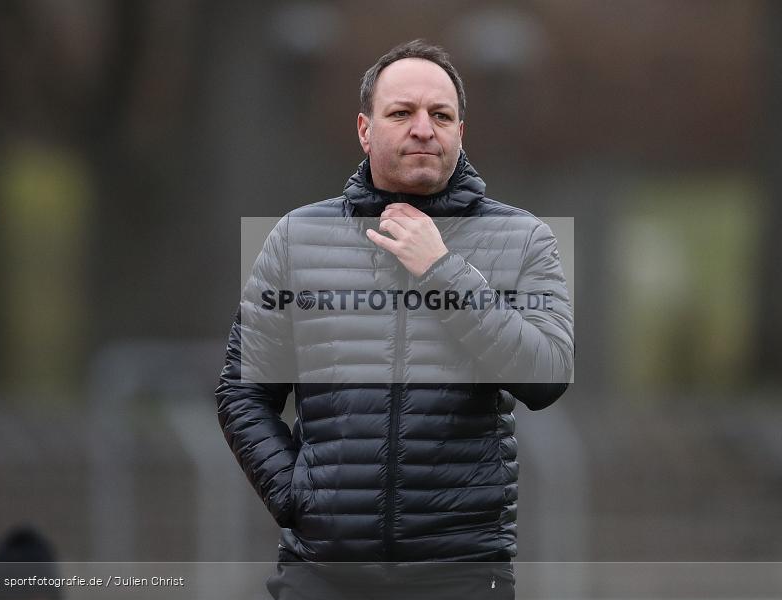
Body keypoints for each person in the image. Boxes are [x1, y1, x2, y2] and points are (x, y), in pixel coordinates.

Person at [215, 39, 573, 597]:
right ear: (365, 129)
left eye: (441, 116)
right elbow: (243, 393)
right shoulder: (296, 238)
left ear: (460, 131)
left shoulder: (523, 239)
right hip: (322, 574)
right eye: (402, 113)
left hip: (461, 573)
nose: (423, 129)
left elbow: (548, 376)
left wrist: (442, 271)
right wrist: (297, 498)